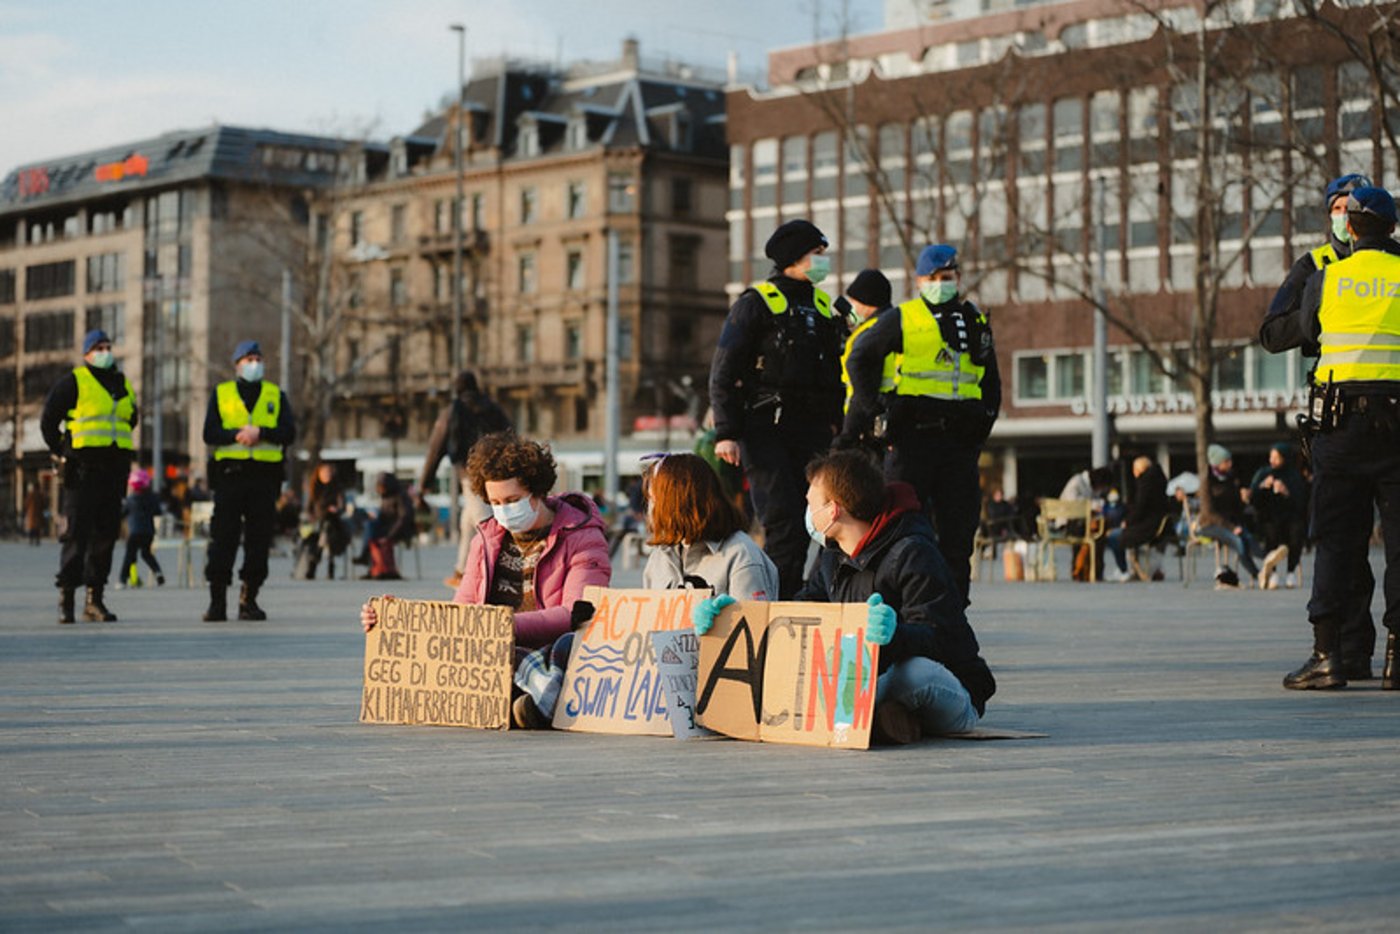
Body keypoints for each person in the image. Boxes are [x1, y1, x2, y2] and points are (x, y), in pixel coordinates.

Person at [695, 450, 995, 744]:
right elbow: (806, 605)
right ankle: (885, 719)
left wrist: (894, 634)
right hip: (868, 678)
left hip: (947, 684)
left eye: (811, 503)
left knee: (914, 673)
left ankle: (875, 714)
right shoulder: (830, 554)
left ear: (833, 509)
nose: (808, 512)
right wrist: (741, 614)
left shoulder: (913, 552)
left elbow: (942, 637)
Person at [361, 433, 612, 725]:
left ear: (537, 492)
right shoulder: (486, 538)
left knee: (563, 651)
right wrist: (395, 620)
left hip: (543, 645)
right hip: (492, 650)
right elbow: (463, 609)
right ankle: (525, 702)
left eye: (513, 500)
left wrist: (501, 626)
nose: (504, 510)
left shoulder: (581, 536)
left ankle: (526, 700)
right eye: (495, 502)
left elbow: (577, 612)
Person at [1259, 185, 1400, 690]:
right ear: (1392, 227)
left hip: (1339, 426)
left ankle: (1326, 656)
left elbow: (1308, 333)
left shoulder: (1325, 278)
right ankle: (1395, 660)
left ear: (1351, 228)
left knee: (1336, 541)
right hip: (1397, 425)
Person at [841, 244, 1001, 605]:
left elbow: (991, 382)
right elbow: (859, 360)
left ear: (958, 278)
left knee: (958, 537)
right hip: (913, 440)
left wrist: (982, 429)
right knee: (900, 529)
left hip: (959, 444)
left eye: (947, 277)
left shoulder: (974, 322)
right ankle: (900, 611)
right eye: (933, 278)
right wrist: (879, 410)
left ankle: (951, 619)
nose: (941, 284)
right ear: (919, 281)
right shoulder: (904, 317)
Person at [708, 218, 846, 598]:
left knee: (823, 521)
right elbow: (724, 370)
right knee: (784, 520)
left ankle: (810, 599)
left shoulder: (821, 305)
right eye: (816, 254)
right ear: (794, 257)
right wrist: (727, 432)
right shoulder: (757, 303)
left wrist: (839, 424)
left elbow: (834, 373)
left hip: (813, 429)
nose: (822, 261)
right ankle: (778, 606)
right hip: (765, 427)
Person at [40, 328, 137, 624]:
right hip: (82, 473)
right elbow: (48, 421)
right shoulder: (73, 382)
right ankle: (67, 599)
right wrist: (64, 450)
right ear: (86, 354)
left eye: (108, 346)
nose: (105, 352)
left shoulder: (122, 384)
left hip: (113, 472)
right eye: (98, 347)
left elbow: (131, 418)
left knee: (105, 537)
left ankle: (95, 600)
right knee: (76, 537)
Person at [202, 340, 295, 622]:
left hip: (264, 480)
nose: (254, 363)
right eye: (248, 358)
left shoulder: (275, 395)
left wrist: (262, 432)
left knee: (258, 541)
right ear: (237, 364)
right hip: (230, 477)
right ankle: (217, 601)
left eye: (258, 357)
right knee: (223, 540)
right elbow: (210, 433)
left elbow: (288, 432)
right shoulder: (222, 394)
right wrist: (236, 435)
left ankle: (248, 599)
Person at [414, 371, 512, 590]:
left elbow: (435, 448)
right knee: (468, 521)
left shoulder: (452, 411)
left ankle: (497, 573)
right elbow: (510, 435)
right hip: (495, 471)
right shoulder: (492, 407)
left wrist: (424, 483)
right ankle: (461, 570)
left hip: (468, 472)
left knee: (484, 522)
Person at [641, 453, 779, 600]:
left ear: (679, 502)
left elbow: (753, 620)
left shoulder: (741, 555)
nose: (650, 509)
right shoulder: (661, 555)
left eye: (654, 499)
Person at [1194, 444, 1263, 588]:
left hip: (1230, 522)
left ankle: (1268, 559)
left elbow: (1236, 508)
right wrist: (1231, 528)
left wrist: (1244, 499)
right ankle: (1258, 574)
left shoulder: (1231, 478)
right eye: (1226, 461)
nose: (1230, 464)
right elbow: (1209, 513)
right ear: (1217, 463)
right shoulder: (1206, 482)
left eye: (1230, 461)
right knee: (1238, 541)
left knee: (1248, 538)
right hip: (1209, 525)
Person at [837, 268, 894, 439]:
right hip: (890, 413)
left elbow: (861, 384)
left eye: (854, 301)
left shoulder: (870, 332)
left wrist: (848, 434)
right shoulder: (892, 325)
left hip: (865, 425)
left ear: (866, 301)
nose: (852, 306)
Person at [1249, 442, 1309, 589]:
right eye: (1271, 457)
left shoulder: (1294, 475)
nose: (1272, 461)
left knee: (1296, 532)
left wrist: (1286, 492)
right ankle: (1273, 573)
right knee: (1271, 532)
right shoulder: (1264, 473)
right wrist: (1262, 486)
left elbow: (1302, 501)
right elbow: (1253, 499)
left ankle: (1291, 572)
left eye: (1277, 457)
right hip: (1268, 517)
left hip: (1291, 517)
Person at [1104, 455, 1171, 581]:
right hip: (1156, 525)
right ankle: (1132, 569)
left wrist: (1127, 522)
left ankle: (1123, 569)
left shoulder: (1145, 483)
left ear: (1139, 470)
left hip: (1147, 527)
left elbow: (1140, 507)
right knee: (1118, 535)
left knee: (1112, 536)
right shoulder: (1158, 481)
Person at [357, 472, 416, 581]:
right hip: (386, 528)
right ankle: (375, 568)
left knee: (372, 534)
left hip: (400, 530)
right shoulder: (385, 497)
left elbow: (404, 519)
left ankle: (369, 561)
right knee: (369, 527)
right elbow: (384, 516)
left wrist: (389, 536)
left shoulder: (401, 496)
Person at [297, 462, 347, 580]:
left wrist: (337, 509)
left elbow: (342, 507)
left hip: (335, 525)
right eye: (324, 472)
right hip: (317, 525)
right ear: (318, 474)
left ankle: (314, 563)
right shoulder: (314, 489)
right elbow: (309, 509)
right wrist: (311, 517)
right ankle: (319, 561)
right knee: (320, 530)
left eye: (329, 472)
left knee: (327, 527)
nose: (327, 474)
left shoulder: (337, 489)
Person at [117, 469, 164, 588]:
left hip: (134, 532)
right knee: (146, 553)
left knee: (129, 555)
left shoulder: (130, 499)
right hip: (148, 531)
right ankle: (158, 573)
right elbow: (158, 512)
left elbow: (122, 513)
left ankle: (122, 579)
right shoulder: (152, 498)